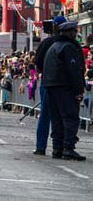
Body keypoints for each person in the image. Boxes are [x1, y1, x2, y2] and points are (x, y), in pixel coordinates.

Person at [42, 19, 86, 161]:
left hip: (51, 86)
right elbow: (74, 71)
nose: (76, 33)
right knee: (70, 117)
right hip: (64, 87)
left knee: (57, 119)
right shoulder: (69, 47)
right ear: (71, 32)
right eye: (75, 31)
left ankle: (57, 148)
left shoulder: (54, 46)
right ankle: (68, 148)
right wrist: (79, 89)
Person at [32, 16, 62, 156]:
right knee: (62, 117)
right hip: (63, 85)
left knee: (45, 115)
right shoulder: (71, 44)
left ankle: (40, 147)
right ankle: (60, 148)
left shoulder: (47, 42)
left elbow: (36, 64)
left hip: (48, 83)